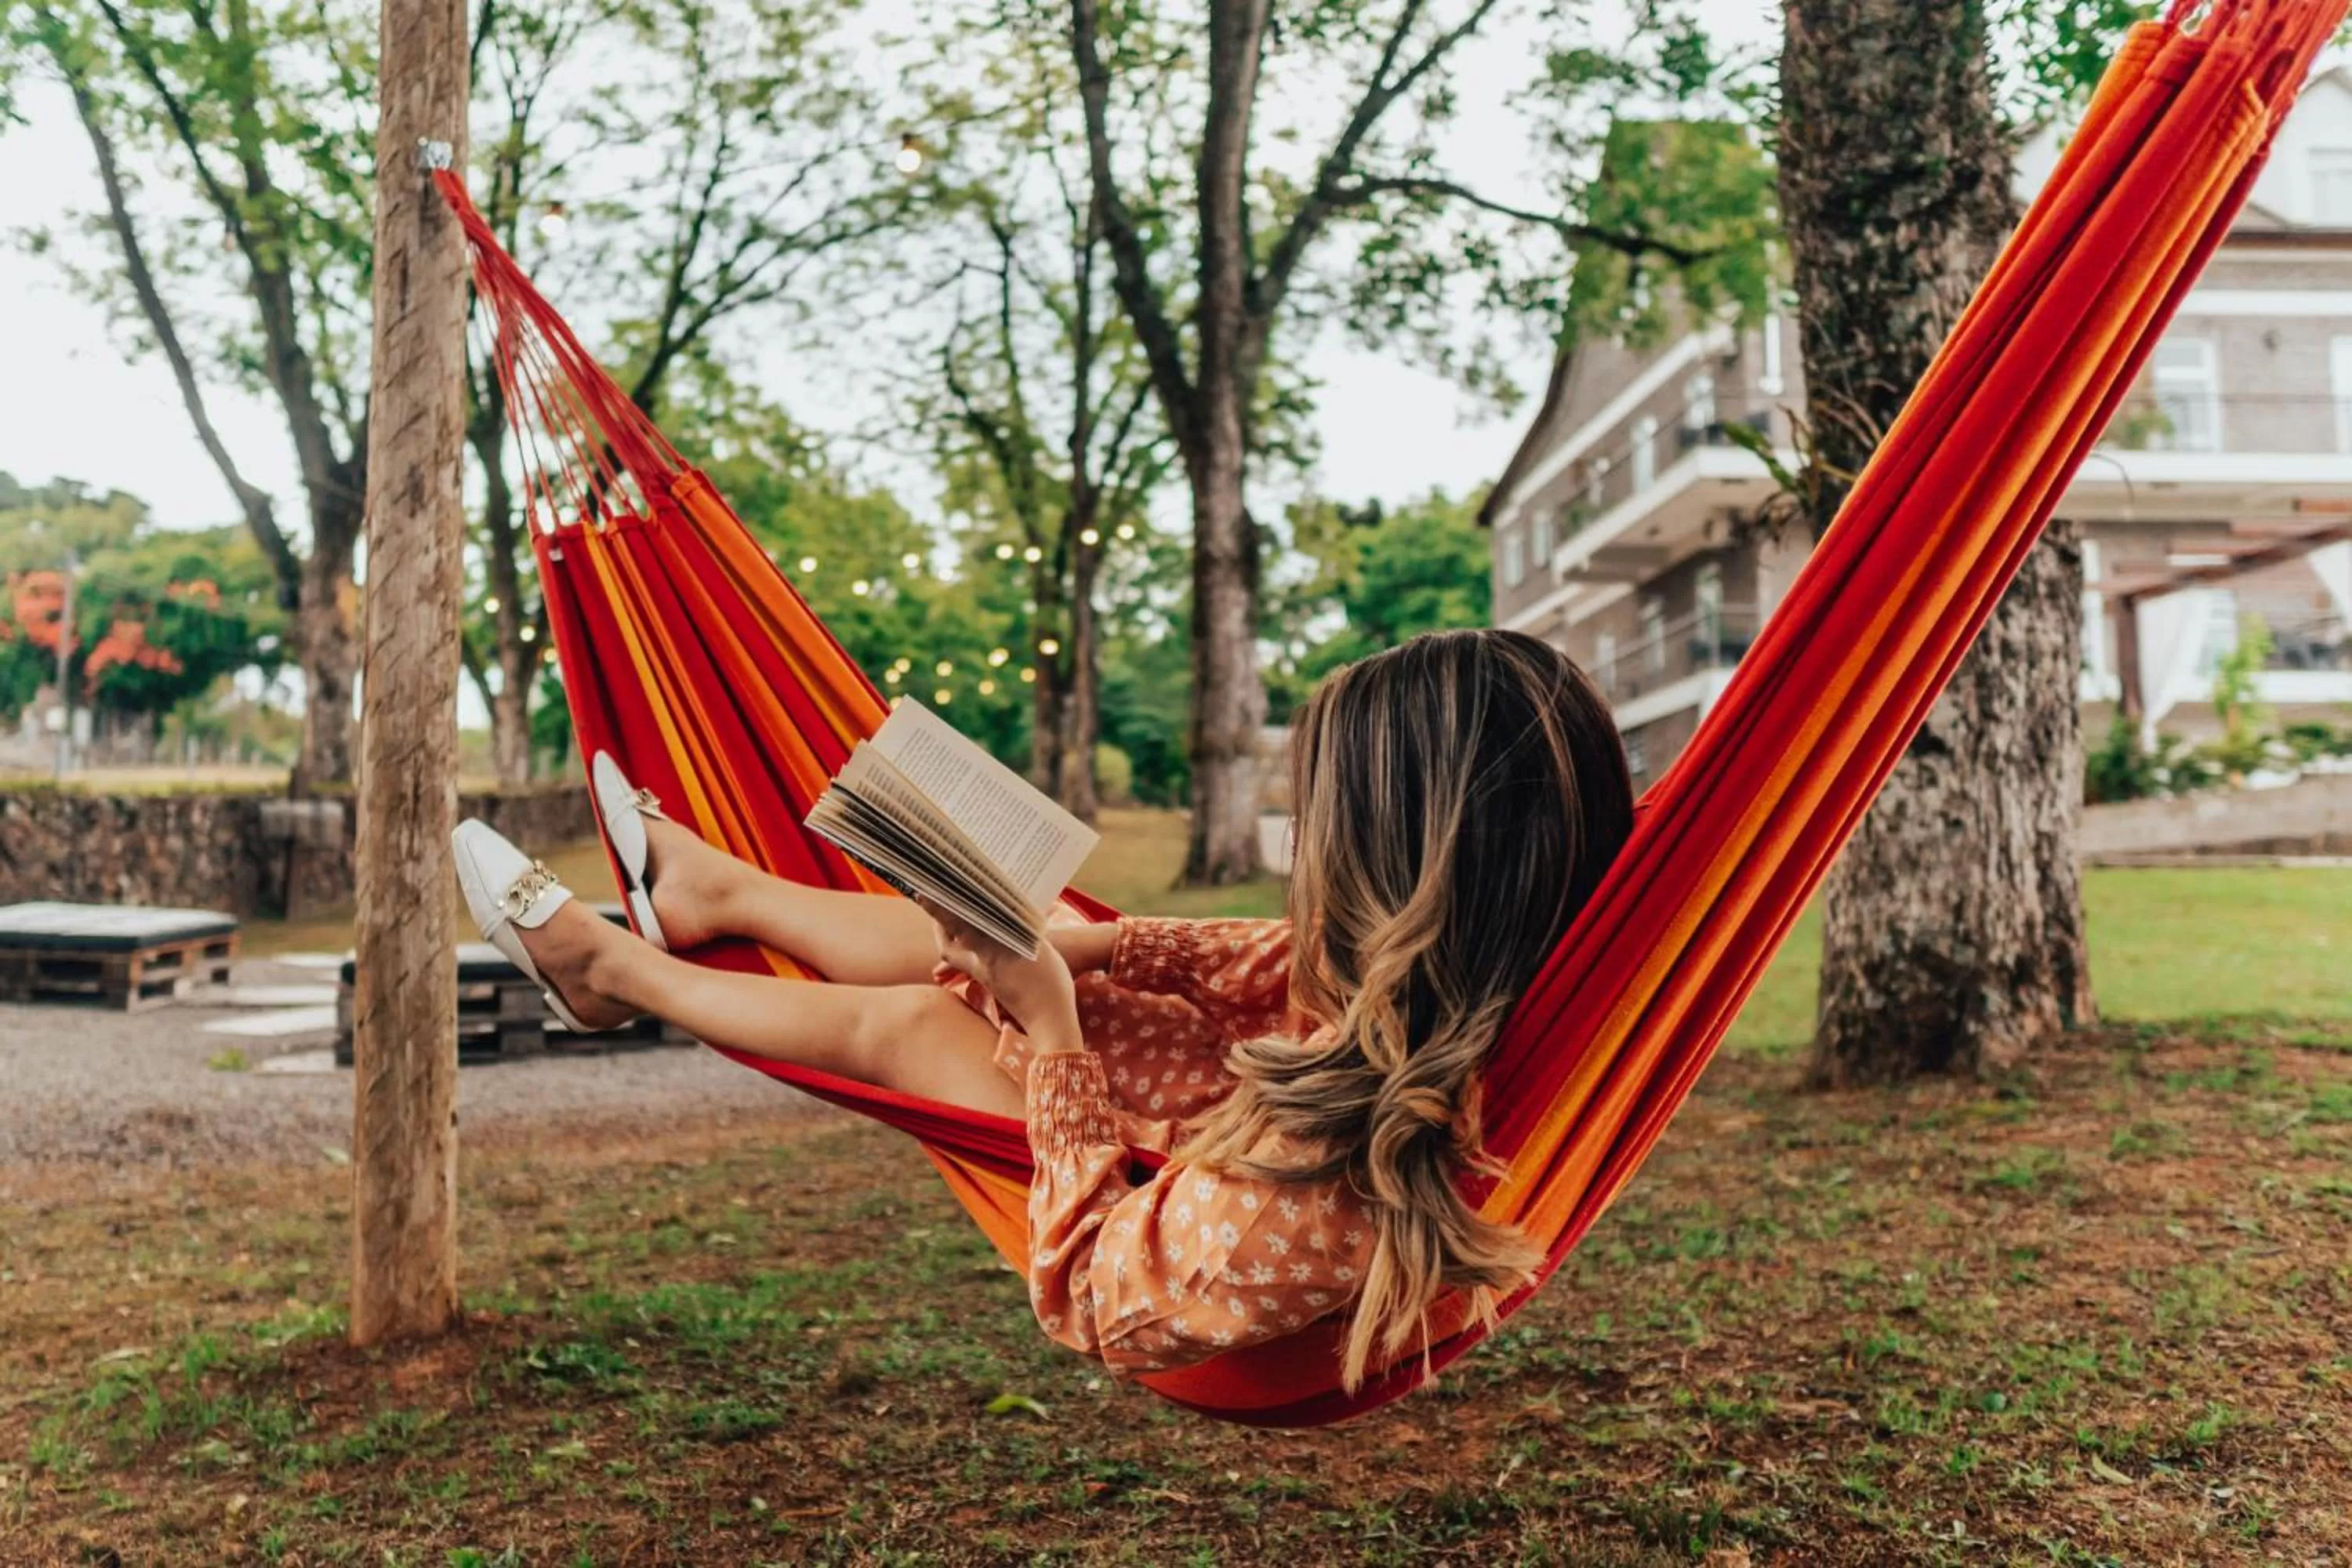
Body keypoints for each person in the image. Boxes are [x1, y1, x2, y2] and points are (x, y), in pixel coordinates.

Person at [452, 628, 1633, 1391]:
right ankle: (718, 894)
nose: (1304, 854)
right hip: (1278, 1088)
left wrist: (1056, 1034)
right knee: (1025, 929)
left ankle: (612, 976)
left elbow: (1100, 1296)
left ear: (1400, 866)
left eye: (1321, 828)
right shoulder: (1494, 969)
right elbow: (1288, 963)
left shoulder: (1330, 1189)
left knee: (922, 1025)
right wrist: (1093, 946)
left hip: (1185, 1197)